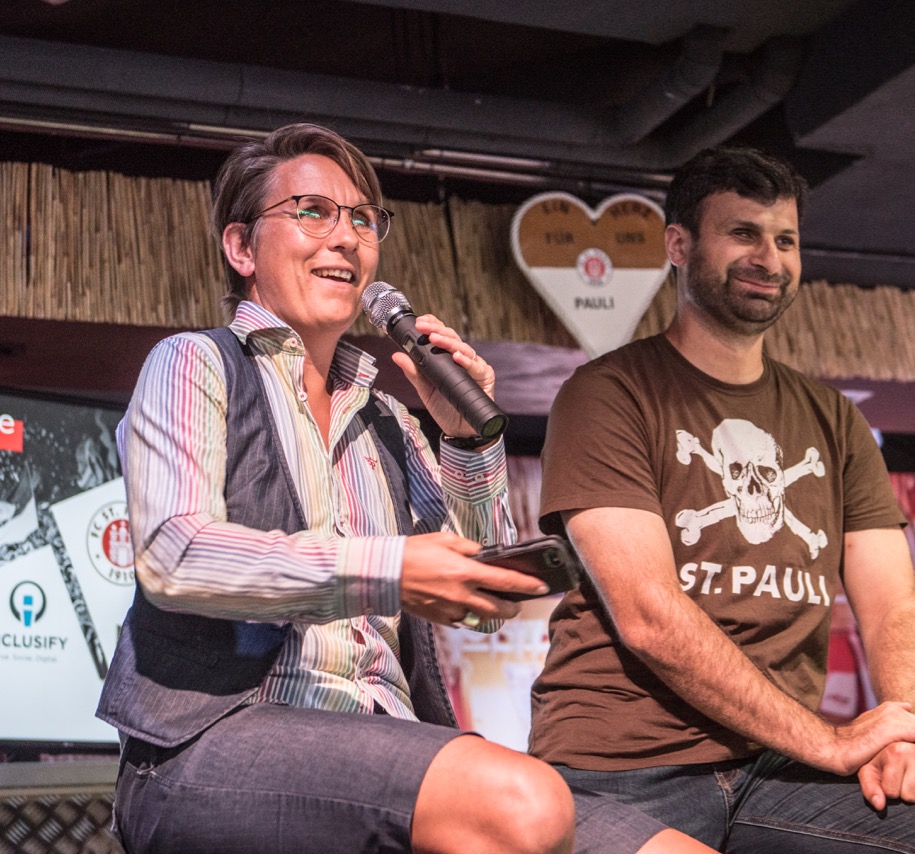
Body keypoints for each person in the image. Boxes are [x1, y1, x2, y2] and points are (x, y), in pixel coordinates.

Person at [96, 123, 710, 854]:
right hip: (211, 744)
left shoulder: (389, 417)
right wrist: (389, 570)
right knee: (521, 802)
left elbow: (482, 610)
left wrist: (466, 442)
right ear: (240, 247)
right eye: (312, 211)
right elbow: (175, 555)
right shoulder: (197, 363)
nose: (346, 235)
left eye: (363, 218)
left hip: (389, 741)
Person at [529, 144, 915, 852]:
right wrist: (829, 742)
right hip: (614, 768)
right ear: (678, 245)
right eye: (742, 233)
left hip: (772, 769)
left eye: (785, 240)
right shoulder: (607, 394)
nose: (767, 258)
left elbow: (893, 602)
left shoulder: (832, 419)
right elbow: (649, 615)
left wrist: (904, 732)